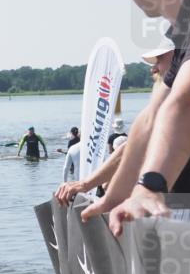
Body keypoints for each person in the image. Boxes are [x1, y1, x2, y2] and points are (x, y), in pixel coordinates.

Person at [81, 0, 190, 234]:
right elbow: (151, 118)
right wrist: (115, 196)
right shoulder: (186, 29)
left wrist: (149, 186)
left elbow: (186, 103)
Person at [55, 43, 178, 205]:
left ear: (180, 59)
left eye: (159, 60)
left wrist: (85, 184)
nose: (153, 69)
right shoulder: (170, 103)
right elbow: (132, 149)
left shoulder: (181, 104)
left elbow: (133, 150)